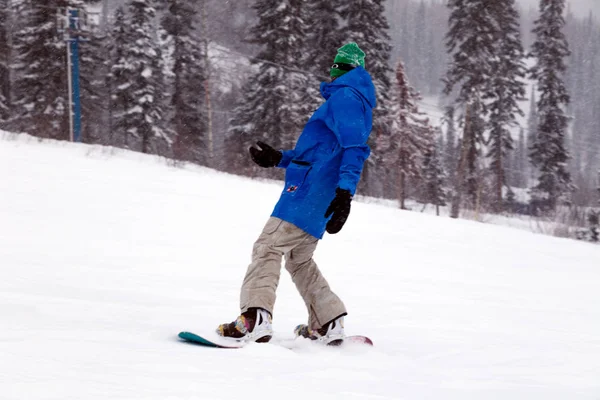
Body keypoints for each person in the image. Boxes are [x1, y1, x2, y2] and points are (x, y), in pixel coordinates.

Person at [217, 42, 376, 345]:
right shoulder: (351, 99)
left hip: (309, 194)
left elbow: (355, 150)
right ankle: (327, 321)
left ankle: (254, 318)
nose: (332, 71)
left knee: (267, 247)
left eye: (336, 66)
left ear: (343, 69)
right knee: (299, 259)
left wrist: (345, 194)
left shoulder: (346, 97)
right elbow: (318, 153)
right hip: (317, 192)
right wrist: (279, 158)